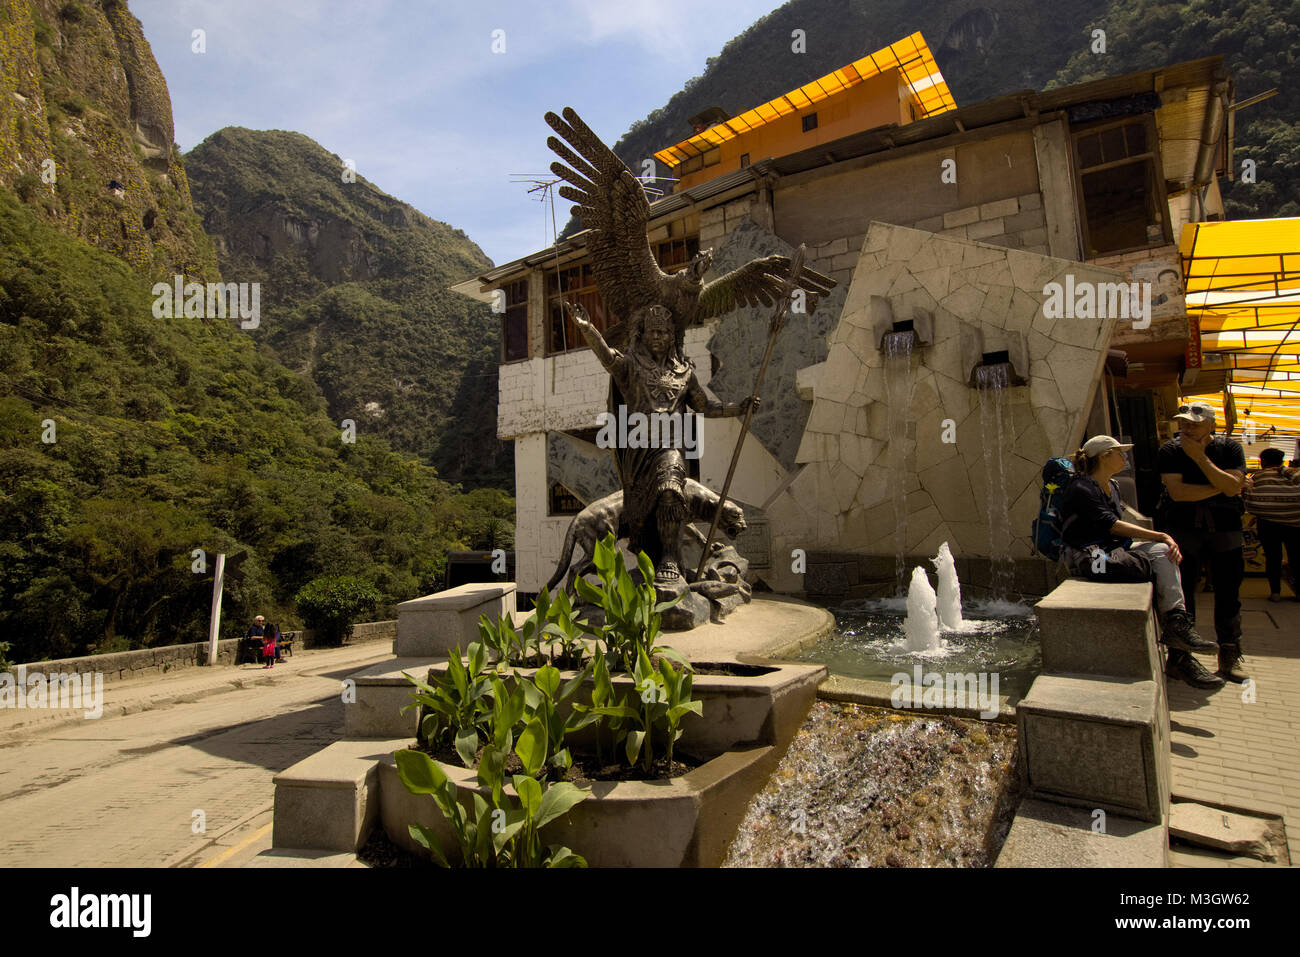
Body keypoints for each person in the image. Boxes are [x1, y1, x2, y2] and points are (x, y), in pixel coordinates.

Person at [566, 300, 756, 584]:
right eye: (652, 331)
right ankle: (654, 559)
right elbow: (607, 358)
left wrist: (738, 408)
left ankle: (670, 558)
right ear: (641, 334)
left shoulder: (685, 373)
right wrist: (588, 329)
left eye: (664, 332)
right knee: (642, 518)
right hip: (638, 455)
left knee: (671, 491)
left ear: (672, 337)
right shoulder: (631, 366)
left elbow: (705, 406)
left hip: (671, 450)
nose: (658, 337)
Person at [1058, 435, 1219, 676]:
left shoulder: (1112, 485)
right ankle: (1178, 650)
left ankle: (1177, 626)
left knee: (1165, 554)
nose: (1124, 457)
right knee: (1154, 561)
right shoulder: (1081, 487)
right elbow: (1111, 525)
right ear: (1103, 456)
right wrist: (1160, 535)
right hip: (1091, 558)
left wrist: (1160, 542)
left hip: (1116, 551)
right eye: (1119, 453)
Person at [1156, 403, 1248, 685]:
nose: (1187, 428)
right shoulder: (1170, 450)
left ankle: (1229, 654)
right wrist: (1224, 484)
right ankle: (1181, 658)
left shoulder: (1229, 448)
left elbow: (1234, 487)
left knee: (1228, 593)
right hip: (1183, 529)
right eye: (1183, 423)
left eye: (1194, 423)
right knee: (1183, 593)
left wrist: (1200, 459)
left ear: (1211, 424)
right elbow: (1180, 493)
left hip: (1225, 528)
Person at [1244, 447, 1300, 601]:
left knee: (1273, 558)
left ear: (1263, 462)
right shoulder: (1293, 473)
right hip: (1294, 524)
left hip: (1268, 524)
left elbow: (1249, 499)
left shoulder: (1258, 477)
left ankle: (1275, 593)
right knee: (1296, 558)